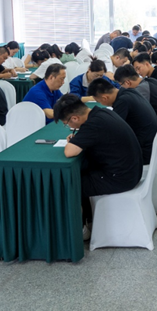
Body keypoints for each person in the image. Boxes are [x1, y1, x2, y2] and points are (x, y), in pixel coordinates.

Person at [54, 94, 143, 239]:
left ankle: (81, 231)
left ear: (75, 118)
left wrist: (74, 142)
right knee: (82, 173)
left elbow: (69, 152)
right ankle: (89, 219)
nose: (69, 127)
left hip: (120, 178)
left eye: (67, 123)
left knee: (70, 184)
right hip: (130, 170)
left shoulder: (93, 125)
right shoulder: (101, 112)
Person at [88, 78, 157, 167]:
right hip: (149, 146)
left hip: (143, 153)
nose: (101, 104)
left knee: (97, 154)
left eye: (99, 101)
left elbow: (111, 130)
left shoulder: (123, 101)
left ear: (105, 98)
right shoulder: (129, 92)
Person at [114, 64, 157, 141]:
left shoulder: (140, 90)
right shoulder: (152, 80)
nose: (121, 88)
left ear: (127, 83)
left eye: (121, 85)